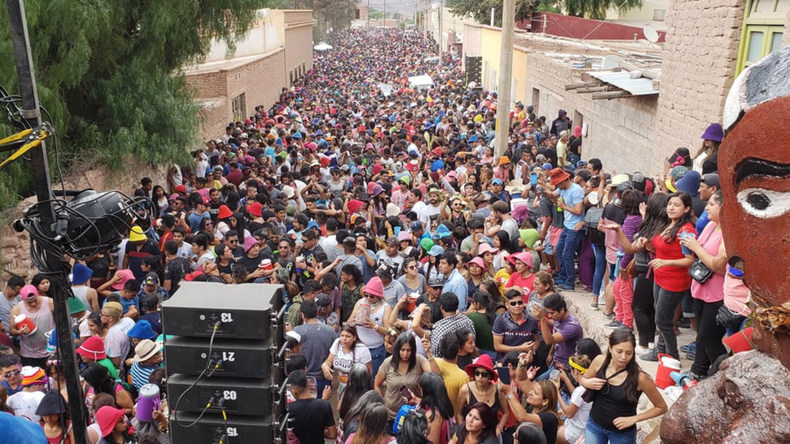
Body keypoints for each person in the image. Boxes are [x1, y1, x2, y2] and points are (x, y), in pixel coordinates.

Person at [580, 329, 667, 444]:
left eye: (628, 353)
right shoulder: (600, 361)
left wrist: (634, 419)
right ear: (610, 348)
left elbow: (661, 407)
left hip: (622, 433)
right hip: (595, 424)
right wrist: (586, 383)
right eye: (619, 351)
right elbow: (583, 378)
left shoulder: (640, 378)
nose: (624, 357)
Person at [638, 192, 696, 362]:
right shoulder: (667, 225)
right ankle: (660, 350)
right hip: (660, 276)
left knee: (662, 320)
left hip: (674, 281)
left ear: (686, 209)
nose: (671, 208)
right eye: (670, 204)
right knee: (661, 316)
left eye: (677, 205)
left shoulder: (686, 231)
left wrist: (666, 263)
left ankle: (672, 357)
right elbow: (661, 251)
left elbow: (689, 260)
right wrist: (648, 245)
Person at [679, 190, 727, 379]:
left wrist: (696, 247)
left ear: (724, 207)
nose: (706, 207)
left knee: (709, 336)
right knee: (701, 335)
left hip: (718, 293)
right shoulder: (710, 226)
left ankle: (723, 375)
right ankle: (698, 371)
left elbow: (719, 266)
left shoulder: (728, 233)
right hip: (700, 287)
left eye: (712, 204)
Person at [539, 168, 585, 292]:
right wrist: (544, 189)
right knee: (559, 250)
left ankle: (569, 282)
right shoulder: (562, 188)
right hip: (567, 225)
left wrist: (564, 206)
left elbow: (578, 210)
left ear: (565, 180)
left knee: (567, 254)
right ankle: (563, 276)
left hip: (575, 227)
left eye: (558, 183)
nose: (557, 186)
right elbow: (552, 195)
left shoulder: (576, 191)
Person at [374, 332, 437, 419]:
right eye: (402, 350)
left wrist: (428, 353)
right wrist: (381, 404)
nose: (405, 354)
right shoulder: (388, 363)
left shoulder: (418, 360)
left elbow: (435, 375)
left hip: (414, 415)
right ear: (397, 349)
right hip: (391, 415)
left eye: (408, 350)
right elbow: (377, 384)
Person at [348, 277, 392, 376]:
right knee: (356, 377)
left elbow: (389, 332)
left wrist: (374, 326)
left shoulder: (386, 308)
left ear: (379, 296)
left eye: (372, 296)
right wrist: (354, 321)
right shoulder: (360, 302)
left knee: (371, 378)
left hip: (375, 350)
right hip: (358, 347)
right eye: (366, 294)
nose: (368, 298)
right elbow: (349, 322)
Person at [455, 354, 509, 434]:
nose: (480, 377)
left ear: (489, 376)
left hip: (491, 435)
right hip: (470, 434)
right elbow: (458, 413)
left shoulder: (498, 392)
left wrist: (499, 428)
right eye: (477, 373)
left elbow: (506, 413)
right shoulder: (465, 389)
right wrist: (463, 431)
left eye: (484, 374)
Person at [294, 300, 337, 396]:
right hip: (323, 378)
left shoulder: (296, 331)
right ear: (317, 312)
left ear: (303, 315)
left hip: (302, 380)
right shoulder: (330, 331)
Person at [500, 377, 560, 444]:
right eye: (532, 389)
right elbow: (517, 414)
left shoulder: (549, 417)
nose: (530, 393)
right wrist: (509, 396)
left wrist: (509, 393)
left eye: (535, 393)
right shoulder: (531, 408)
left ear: (545, 401)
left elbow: (522, 417)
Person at [532, 293, 583, 370]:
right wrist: (551, 353)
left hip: (566, 364)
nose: (549, 316)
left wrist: (542, 319)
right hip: (556, 359)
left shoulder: (572, 326)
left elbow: (549, 340)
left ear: (562, 310)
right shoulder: (558, 318)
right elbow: (555, 336)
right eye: (548, 312)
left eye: (552, 313)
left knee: (538, 381)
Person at [9, 285, 55, 368]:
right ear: (22, 299)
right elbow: (12, 330)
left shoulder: (49, 302)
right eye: (29, 302)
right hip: (29, 354)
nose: (33, 304)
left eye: (35, 300)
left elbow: (61, 322)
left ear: (38, 295)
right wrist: (19, 332)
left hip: (50, 351)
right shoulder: (17, 309)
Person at [287, 369, 337, 443]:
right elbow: (332, 434)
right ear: (308, 384)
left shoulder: (288, 409)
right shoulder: (324, 405)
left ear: (294, 391)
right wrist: (318, 432)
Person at [321, 324, 372, 394]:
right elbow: (329, 361)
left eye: (348, 336)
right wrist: (324, 366)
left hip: (357, 388)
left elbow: (369, 372)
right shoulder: (337, 343)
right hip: (341, 385)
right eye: (342, 335)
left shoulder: (362, 349)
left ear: (354, 338)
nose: (344, 339)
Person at [556, 353, 593, 444]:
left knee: (552, 431)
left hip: (575, 433)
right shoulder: (591, 387)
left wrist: (556, 392)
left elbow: (569, 414)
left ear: (575, 372)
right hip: (585, 429)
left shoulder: (580, 390)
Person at [492, 290, 540, 361]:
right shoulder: (500, 320)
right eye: (513, 303)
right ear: (507, 305)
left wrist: (531, 352)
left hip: (525, 361)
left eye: (520, 302)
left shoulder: (531, 320)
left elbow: (537, 340)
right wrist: (520, 348)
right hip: (505, 362)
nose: (517, 306)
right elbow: (497, 346)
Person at [429, 292, 475, 357]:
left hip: (446, 365)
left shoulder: (439, 330)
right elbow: (473, 342)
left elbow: (435, 355)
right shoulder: (468, 321)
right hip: (467, 361)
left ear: (441, 307)